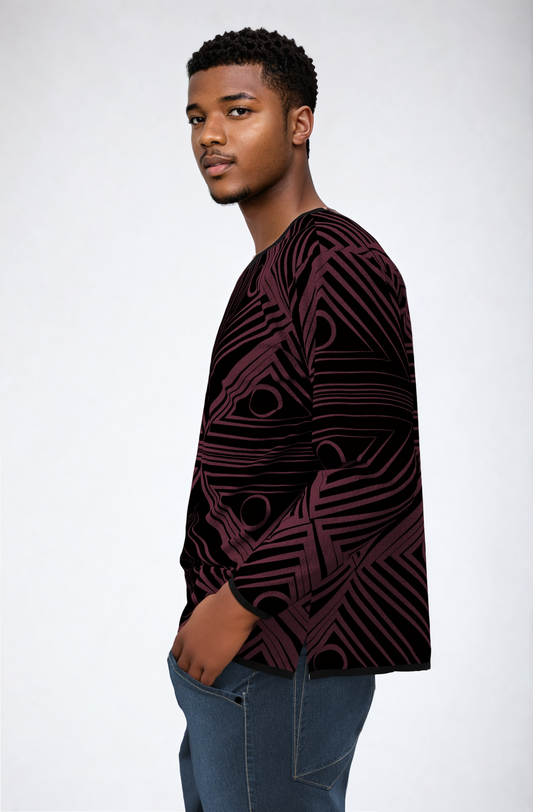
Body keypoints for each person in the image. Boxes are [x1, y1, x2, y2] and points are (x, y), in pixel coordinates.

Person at [167, 26, 431, 812]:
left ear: (299, 123)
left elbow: (369, 474)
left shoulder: (338, 264)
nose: (209, 135)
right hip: (242, 664)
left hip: (285, 652)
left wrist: (236, 604)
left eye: (237, 110)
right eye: (196, 117)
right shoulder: (274, 269)